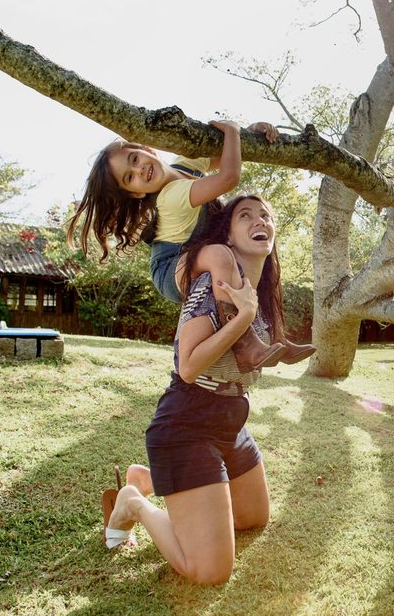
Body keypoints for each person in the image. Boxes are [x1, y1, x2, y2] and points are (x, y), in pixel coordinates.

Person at [101, 194, 296, 585]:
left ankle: (150, 479)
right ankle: (133, 503)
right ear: (228, 235)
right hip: (187, 423)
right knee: (209, 571)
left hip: (231, 420)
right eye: (246, 216)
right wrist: (243, 318)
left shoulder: (260, 291)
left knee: (252, 518)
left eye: (265, 215)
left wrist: (250, 312)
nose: (260, 221)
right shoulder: (211, 284)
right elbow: (189, 367)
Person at [66, 120, 313, 369]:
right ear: (136, 193)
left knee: (262, 248)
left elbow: (225, 155)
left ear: (147, 149)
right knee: (219, 255)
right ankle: (245, 342)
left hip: (196, 251)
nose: (139, 170)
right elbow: (229, 176)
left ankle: (277, 335)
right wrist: (232, 130)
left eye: (135, 159)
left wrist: (250, 133)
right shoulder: (170, 197)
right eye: (129, 178)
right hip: (170, 267)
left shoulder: (185, 164)